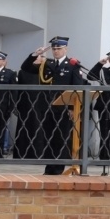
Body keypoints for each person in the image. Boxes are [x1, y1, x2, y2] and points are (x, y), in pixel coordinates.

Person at [20, 37, 89, 175]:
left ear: (65, 49)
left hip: (64, 108)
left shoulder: (72, 65)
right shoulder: (46, 64)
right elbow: (26, 68)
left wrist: (71, 108)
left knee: (61, 139)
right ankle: (49, 168)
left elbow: (77, 87)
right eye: (54, 49)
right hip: (46, 107)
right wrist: (34, 55)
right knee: (48, 138)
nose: (56, 51)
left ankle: (58, 168)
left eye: (59, 49)